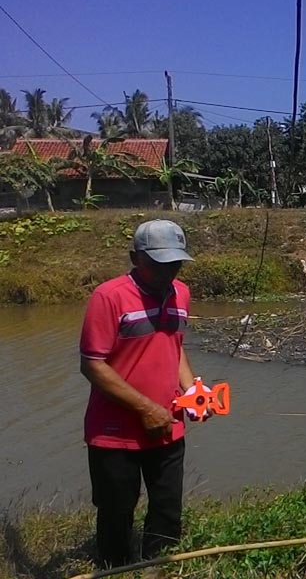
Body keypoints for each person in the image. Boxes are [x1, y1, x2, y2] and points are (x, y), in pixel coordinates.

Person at [79, 219, 199, 568]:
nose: (168, 272)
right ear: (135, 257)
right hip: (114, 434)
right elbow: (93, 365)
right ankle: (116, 569)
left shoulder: (182, 293)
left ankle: (158, 567)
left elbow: (174, 347)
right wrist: (147, 408)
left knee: (167, 508)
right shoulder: (109, 296)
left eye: (175, 263)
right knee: (116, 512)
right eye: (158, 264)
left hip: (168, 426)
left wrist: (192, 391)